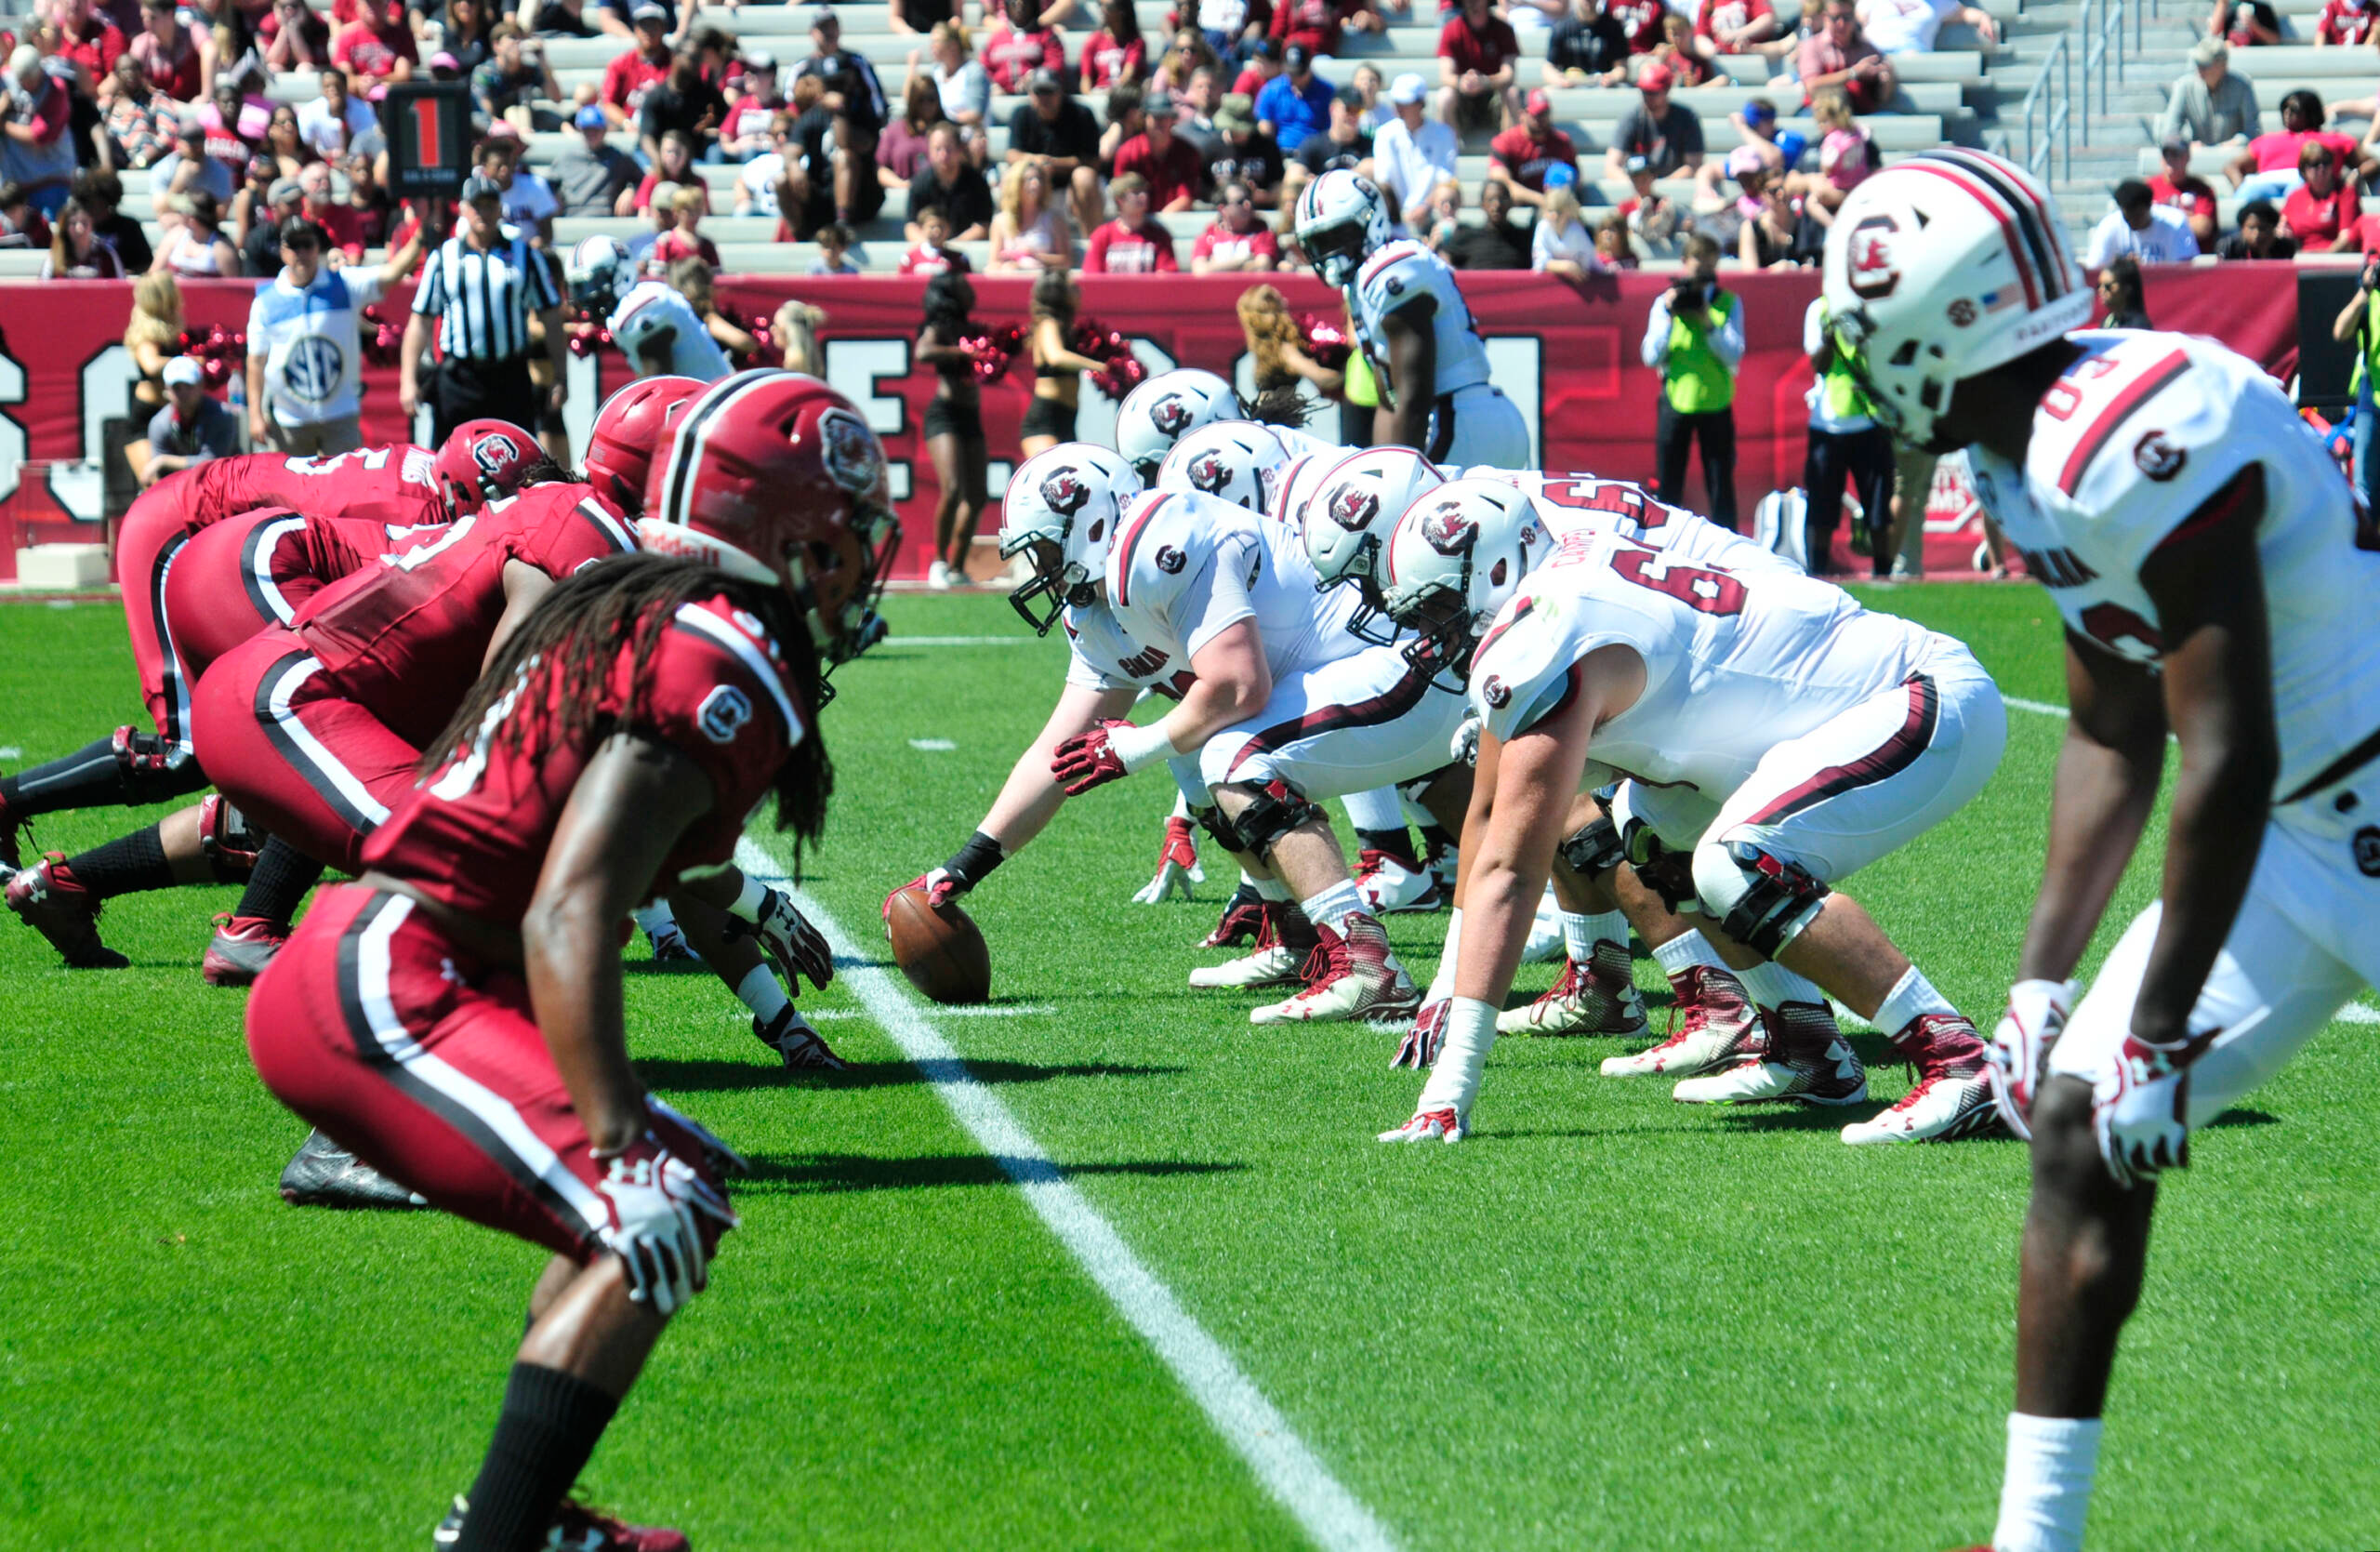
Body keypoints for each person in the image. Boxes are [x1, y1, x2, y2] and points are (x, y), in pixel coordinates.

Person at [1818, 143, 2380, 1552]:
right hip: (2305, 837)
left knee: (2110, 1089)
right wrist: (2039, 982)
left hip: (2337, 802)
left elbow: (2229, 746)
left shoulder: (2130, 431)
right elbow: (2114, 729)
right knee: (2072, 1123)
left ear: (1935, 333)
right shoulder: (2023, 460)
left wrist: (2164, 1024)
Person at [224, 375, 886, 1550]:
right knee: (654, 1200)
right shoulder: (720, 649)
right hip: (389, 983)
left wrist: (758, 996)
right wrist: (619, 1128)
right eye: (840, 533)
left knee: (677, 1194)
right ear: (779, 528)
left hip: (403, 968)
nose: (856, 561)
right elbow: (574, 909)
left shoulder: (663, 606)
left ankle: (523, 1510)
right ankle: (501, 1534)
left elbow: (653, 880)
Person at [1368, 470, 2005, 1146]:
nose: (1427, 635)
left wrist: (1451, 1084)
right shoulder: (1567, 575)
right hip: (1842, 705)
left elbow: (1510, 867)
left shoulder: (1541, 636)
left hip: (1918, 697)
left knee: (1738, 863)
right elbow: (1516, 806)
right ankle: (1808, 1047)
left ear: (1496, 569)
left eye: (1434, 610)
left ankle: (1963, 1060)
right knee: (1652, 830)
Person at [1294, 167, 1530, 463]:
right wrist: (1377, 466)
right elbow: (1389, 398)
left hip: (1460, 421)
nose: (1329, 253)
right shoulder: (1359, 285)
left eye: (1337, 236)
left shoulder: (1391, 268)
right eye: (1319, 243)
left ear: (1370, 220)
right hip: (1459, 420)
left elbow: (1414, 396)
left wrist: (1398, 475)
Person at [402, 173, 567, 445]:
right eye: (477, 206)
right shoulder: (444, 257)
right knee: (451, 463)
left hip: (510, 375)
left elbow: (550, 316)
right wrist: (407, 380)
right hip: (459, 378)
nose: (484, 212)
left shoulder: (525, 255)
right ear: (464, 210)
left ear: (501, 209)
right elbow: (420, 321)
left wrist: (561, 375)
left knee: (519, 461)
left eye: (490, 205)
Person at [246, 212, 426, 454]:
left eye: (307, 245)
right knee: (291, 491)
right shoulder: (266, 301)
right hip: (290, 420)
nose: (301, 253)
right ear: (283, 251)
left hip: (340, 414)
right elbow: (256, 362)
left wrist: (421, 237)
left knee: (345, 487)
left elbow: (391, 274)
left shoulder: (343, 284)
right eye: (294, 246)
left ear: (317, 247)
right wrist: (255, 414)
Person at [1641, 232, 1741, 527]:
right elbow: (1649, 356)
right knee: (1669, 485)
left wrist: (1707, 321)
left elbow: (1735, 354)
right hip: (1676, 401)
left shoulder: (1728, 302)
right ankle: (1666, 549)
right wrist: (1671, 315)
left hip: (1716, 402)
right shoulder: (1665, 304)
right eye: (1698, 266)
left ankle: (1731, 554)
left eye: (1710, 266)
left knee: (1721, 485)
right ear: (1684, 264)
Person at [1800, 296, 1892, 576]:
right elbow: (1818, 364)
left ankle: (1883, 572)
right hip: (1828, 425)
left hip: (1869, 418)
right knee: (1822, 508)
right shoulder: (1818, 308)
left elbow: (1885, 357)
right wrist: (1830, 334)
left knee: (1877, 508)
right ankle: (1818, 571)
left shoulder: (1874, 306)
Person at [571, 233, 732, 383]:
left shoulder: (640, 307)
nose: (588, 295)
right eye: (580, 288)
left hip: (711, 407)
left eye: (593, 284)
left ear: (622, 274)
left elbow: (661, 391)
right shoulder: (635, 301)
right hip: (705, 403)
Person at [918, 272, 989, 589]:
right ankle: (939, 562)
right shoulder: (938, 329)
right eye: (961, 285)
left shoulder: (972, 328)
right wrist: (963, 353)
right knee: (952, 488)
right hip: (943, 414)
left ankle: (957, 569)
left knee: (976, 495)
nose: (969, 287)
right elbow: (923, 352)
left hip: (970, 415)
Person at [1021, 270, 1112, 454]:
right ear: (1059, 294)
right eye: (1074, 288)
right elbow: (1056, 356)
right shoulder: (1048, 324)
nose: (1080, 291)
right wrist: (1100, 367)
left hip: (1068, 418)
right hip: (1044, 420)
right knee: (1051, 477)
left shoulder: (1069, 330)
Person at [1006, 66, 1104, 235]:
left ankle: (1092, 242)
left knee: (1085, 177)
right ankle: (1016, 241)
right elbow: (1012, 154)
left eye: (1049, 91)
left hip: (1071, 188)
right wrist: (1036, 161)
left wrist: (1055, 164)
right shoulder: (1021, 114)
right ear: (1030, 93)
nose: (1044, 98)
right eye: (1039, 92)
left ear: (1061, 92)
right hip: (1036, 182)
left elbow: (1093, 161)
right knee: (1012, 176)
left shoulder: (1081, 114)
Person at [2227, 88, 2364, 202]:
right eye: (2285, 109)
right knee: (2248, 193)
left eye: (2294, 109)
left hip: (2307, 181)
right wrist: (2240, 186)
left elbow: (2369, 162)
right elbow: (2232, 166)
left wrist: (2352, 179)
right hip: (2266, 181)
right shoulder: (2267, 140)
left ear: (2311, 111)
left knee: (2297, 193)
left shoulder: (2335, 139)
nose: (2287, 113)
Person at [1370, 71, 1456, 229]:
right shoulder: (1384, 134)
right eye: (1397, 102)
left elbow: (1446, 180)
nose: (1399, 108)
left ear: (1421, 104)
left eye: (1405, 103)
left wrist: (1424, 207)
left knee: (1449, 192)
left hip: (1430, 214)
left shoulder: (1443, 134)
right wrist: (1398, 214)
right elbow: (1383, 180)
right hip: (1394, 214)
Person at [3, 45, 79, 215]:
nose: (26, 84)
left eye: (30, 78)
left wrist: (4, 125)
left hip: (51, 177)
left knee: (49, 234)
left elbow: (39, 135)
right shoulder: (6, 80)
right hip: (17, 183)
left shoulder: (55, 88)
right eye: (22, 79)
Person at [2333, 248, 2380, 515]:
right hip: (2373, 398)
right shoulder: (2372, 300)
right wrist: (2365, 291)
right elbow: (2340, 331)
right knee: (2364, 484)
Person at [142, 356, 239, 485]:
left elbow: (212, 463)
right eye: (177, 388)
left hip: (225, 484)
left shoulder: (221, 415)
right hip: (180, 488)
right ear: (166, 390)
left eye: (188, 386)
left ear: (201, 386)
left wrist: (163, 461)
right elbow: (161, 476)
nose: (183, 393)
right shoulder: (159, 423)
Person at [1605, 60, 1704, 180]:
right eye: (1644, 92)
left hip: (1675, 191)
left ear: (1667, 90)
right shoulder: (1632, 118)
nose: (1647, 97)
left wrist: (1658, 189)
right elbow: (1611, 167)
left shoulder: (1687, 118)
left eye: (1653, 93)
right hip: (1638, 192)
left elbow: (1694, 166)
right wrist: (1640, 186)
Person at [2159, 36, 2258, 151]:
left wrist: (2237, 143)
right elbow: (2169, 132)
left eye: (2205, 64)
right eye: (2197, 63)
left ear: (2223, 65)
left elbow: (2254, 131)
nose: (2199, 69)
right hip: (2195, 162)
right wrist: (2187, 145)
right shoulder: (2185, 86)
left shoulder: (2242, 85)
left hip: (2234, 159)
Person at [1794, 0, 1893, 116]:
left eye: (1846, 18)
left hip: (1859, 113)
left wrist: (1886, 81)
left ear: (1854, 17)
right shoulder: (1813, 46)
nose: (1841, 24)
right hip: (1824, 114)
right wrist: (1853, 73)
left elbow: (1882, 97)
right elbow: (1812, 86)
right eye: (1835, 18)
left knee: (1890, 118)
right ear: (1825, 17)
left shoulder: (1867, 49)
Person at [1436, 0, 1521, 135]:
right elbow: (1445, 75)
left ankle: (1507, 149)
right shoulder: (1451, 29)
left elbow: (1508, 74)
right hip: (1463, 98)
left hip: (1494, 96)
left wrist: (1485, 81)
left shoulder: (1504, 29)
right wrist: (1462, 82)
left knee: (1512, 93)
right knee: (1445, 96)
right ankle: (1450, 151)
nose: (1472, 2)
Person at [1488, 88, 1579, 208]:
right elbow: (1502, 185)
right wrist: (1542, 200)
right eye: (1536, 115)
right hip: (1520, 209)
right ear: (1522, 115)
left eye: (1545, 113)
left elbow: (1577, 176)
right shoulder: (1505, 142)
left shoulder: (1562, 141)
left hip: (1557, 207)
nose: (1541, 119)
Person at [906, 121, 994, 241]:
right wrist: (932, 247)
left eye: (948, 149)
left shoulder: (977, 183)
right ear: (929, 151)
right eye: (937, 149)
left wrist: (952, 247)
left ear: (960, 149)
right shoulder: (919, 184)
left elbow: (983, 226)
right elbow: (911, 227)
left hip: (966, 250)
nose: (943, 155)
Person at [2083, 178, 2201, 267]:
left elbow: (2185, 272)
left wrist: (2146, 269)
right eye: (2128, 217)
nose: (2132, 221)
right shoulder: (2110, 225)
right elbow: (2095, 268)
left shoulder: (2175, 223)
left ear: (2149, 206)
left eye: (2137, 216)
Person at [1083, 169, 1179, 272]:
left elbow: (1167, 274)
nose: (1143, 196)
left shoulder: (1159, 235)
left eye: (1145, 191)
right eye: (1136, 192)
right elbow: (1092, 275)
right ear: (1120, 199)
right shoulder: (1102, 236)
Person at [553, 103, 640, 216]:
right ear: (580, 130)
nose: (591, 134)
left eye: (595, 129)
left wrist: (631, 190)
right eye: (587, 129)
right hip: (573, 216)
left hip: (605, 217)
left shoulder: (618, 157)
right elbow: (548, 185)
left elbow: (643, 181)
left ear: (604, 130)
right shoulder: (567, 158)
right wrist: (553, 197)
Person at [988, 156, 1073, 272]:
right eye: (1029, 179)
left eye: (1039, 179)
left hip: (1041, 279)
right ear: (1016, 184)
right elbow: (993, 263)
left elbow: (1066, 261)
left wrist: (1034, 256)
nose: (1036, 183)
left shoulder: (1054, 219)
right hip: (1010, 278)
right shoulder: (1000, 222)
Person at [1204, 93, 1287, 209]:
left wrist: (1266, 196)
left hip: (1258, 211)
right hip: (1220, 211)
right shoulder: (1211, 147)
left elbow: (1279, 184)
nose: (1237, 133)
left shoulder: (1267, 147)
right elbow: (1203, 188)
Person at [599, 3, 671, 129]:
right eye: (644, 26)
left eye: (654, 25)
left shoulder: (675, 64)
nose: (648, 31)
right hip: (630, 127)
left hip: (666, 127)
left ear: (664, 28)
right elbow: (608, 103)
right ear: (635, 29)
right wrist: (627, 123)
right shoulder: (620, 64)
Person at [124, 268, 183, 416]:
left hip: (171, 407)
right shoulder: (147, 332)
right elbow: (151, 365)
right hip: (150, 409)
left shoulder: (172, 327)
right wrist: (186, 362)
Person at [330, 0, 417, 98]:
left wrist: (378, 82)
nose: (372, 7)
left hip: (391, 99)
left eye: (377, 2)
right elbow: (344, 77)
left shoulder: (402, 34)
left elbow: (403, 76)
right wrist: (362, 82)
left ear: (386, 6)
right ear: (358, 7)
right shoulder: (347, 35)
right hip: (357, 101)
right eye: (368, 3)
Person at [2145, 136, 2219, 247]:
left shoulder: (2202, 190)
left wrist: (2158, 221)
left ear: (2187, 157)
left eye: (2175, 155)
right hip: (2159, 256)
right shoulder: (2149, 187)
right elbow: (2141, 224)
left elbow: (2202, 228)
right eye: (2166, 155)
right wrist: (2185, 220)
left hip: (2192, 258)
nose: (2170, 159)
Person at [1291, 83, 1371, 184]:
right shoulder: (1313, 144)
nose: (1354, 115)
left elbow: (1369, 169)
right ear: (1333, 109)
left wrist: (1321, 183)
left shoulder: (1369, 145)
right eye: (1349, 109)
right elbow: (1293, 176)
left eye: (1358, 110)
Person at [1256, 42, 1331, 150]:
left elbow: (1329, 132)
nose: (1294, 79)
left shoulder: (1326, 92)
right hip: (1281, 152)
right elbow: (1264, 123)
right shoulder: (1273, 89)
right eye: (1291, 74)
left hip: (1314, 154)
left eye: (1298, 74)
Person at [1192, 177, 1278, 271]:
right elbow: (1200, 271)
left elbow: (1262, 266)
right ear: (1222, 208)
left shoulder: (1262, 233)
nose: (1247, 204)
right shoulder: (1209, 235)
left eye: (1248, 199)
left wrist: (1215, 265)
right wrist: (1245, 260)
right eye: (1240, 202)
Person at [298, 68, 380, 163]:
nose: (333, 90)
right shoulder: (309, 112)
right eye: (327, 86)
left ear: (345, 87)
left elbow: (366, 141)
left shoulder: (364, 110)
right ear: (322, 89)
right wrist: (328, 155)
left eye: (337, 86)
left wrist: (341, 115)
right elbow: (308, 143)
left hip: (356, 161)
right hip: (322, 161)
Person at [983, 0, 1065, 95]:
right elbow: (984, 67)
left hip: (1037, 96)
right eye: (1014, 4)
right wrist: (991, 85)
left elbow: (1055, 64)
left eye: (1024, 4)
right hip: (1000, 95)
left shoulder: (1046, 35)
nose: (1019, 9)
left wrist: (1035, 76)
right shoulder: (996, 38)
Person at [74, 169, 150, 272]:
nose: (93, 208)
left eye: (98, 203)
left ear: (109, 202)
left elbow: (145, 264)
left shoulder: (129, 227)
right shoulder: (79, 228)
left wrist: (123, 273)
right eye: (88, 203)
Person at [876, 74, 945, 186]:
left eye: (931, 99)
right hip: (904, 192)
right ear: (913, 101)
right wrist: (904, 186)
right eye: (921, 100)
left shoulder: (947, 130)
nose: (926, 104)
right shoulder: (894, 130)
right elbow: (882, 170)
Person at [153, 187, 240, 276]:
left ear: (192, 219)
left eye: (181, 211)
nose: (178, 214)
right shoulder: (175, 235)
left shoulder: (222, 248)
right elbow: (153, 273)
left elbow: (233, 286)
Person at [1529, 173, 1600, 279]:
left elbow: (1587, 263)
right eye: (1550, 211)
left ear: (1568, 212)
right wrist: (1566, 266)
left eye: (1559, 211)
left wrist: (1573, 267)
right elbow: (1539, 261)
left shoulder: (1576, 229)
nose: (1554, 216)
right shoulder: (1543, 227)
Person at [1544, 0, 1631, 86]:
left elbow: (1621, 66)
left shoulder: (1613, 28)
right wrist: (1559, 80)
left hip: (1603, 90)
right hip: (1572, 89)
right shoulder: (1561, 28)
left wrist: (1612, 77)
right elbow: (1549, 68)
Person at [1857, 0, 1997, 53]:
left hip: (1914, 56)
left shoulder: (1938, 2)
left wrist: (1983, 16)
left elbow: (1964, 13)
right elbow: (1857, 21)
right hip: (1874, 54)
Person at [41, 195, 126, 278]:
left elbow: (122, 286)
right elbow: (42, 288)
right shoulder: (54, 257)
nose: (79, 229)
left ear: (92, 225)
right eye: (73, 223)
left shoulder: (107, 255)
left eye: (84, 223)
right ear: (65, 227)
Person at [1081, 0, 1145, 89]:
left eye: (1108, 7)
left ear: (1121, 11)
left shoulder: (1135, 42)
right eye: (1100, 6)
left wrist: (1112, 94)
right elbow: (1085, 78)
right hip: (1099, 92)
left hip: (1124, 94)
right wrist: (1089, 96)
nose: (1103, 10)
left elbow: (1128, 75)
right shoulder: (1093, 40)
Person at [1693, 0, 1782, 59]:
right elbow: (1700, 36)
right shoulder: (1707, 4)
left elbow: (1767, 19)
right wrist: (1711, 51)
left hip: (1754, 57)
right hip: (1724, 64)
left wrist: (1737, 34)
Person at [2215, 196, 2293, 258]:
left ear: (2273, 229)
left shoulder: (2285, 248)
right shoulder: (2229, 247)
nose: (2257, 234)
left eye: (2263, 229)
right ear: (2242, 228)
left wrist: (2264, 253)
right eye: (2251, 228)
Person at [772, 298, 826, 372]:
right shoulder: (816, 362)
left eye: (776, 325)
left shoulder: (794, 367)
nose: (772, 329)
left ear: (791, 331)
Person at [2208, 0, 2281, 45]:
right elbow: (2214, 32)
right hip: (2232, 56)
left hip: (2256, 57)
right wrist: (2222, 3)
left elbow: (2275, 40)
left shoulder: (2263, 9)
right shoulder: (2228, 7)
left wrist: (2256, 27)